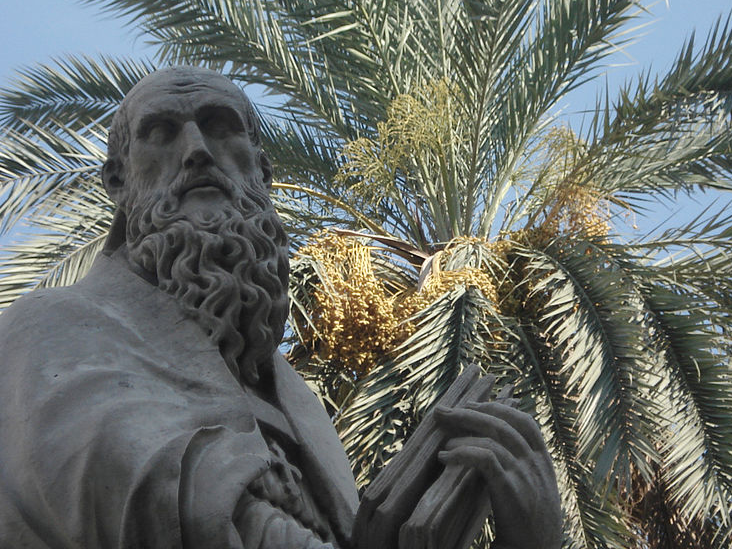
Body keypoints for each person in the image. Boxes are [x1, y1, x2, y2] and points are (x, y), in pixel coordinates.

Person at [0, 67, 561, 549]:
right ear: (117, 182)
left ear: (262, 171)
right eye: (161, 133)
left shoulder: (297, 399)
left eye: (221, 127)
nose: (196, 150)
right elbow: (138, 486)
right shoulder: (56, 326)